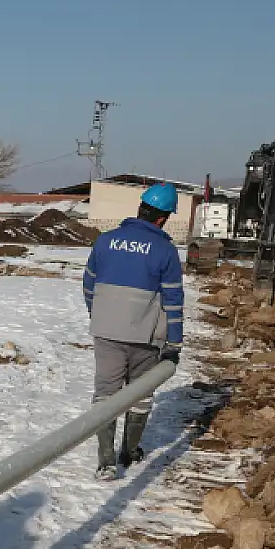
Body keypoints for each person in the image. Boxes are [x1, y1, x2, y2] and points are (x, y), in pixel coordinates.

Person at [81, 182, 184, 480]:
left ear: (140, 208)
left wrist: (101, 315)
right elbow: (174, 301)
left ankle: (105, 462)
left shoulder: (105, 241)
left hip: (106, 333)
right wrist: (174, 344)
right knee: (140, 394)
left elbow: (88, 285)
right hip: (145, 339)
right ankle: (129, 451)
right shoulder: (165, 251)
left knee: (106, 395)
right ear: (163, 218)